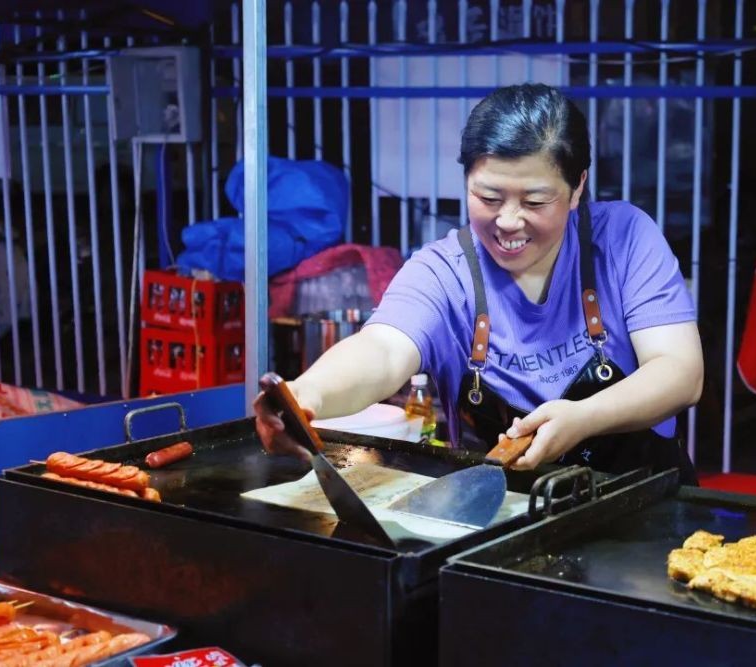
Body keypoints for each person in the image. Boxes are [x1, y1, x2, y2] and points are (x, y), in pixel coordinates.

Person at [256, 83, 703, 479]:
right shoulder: (444, 270)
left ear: (578, 186)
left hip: (643, 515)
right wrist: (305, 394)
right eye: (488, 197)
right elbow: (384, 348)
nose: (508, 221)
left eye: (535, 200)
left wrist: (583, 418)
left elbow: (680, 372)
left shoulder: (624, 239)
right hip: (501, 522)